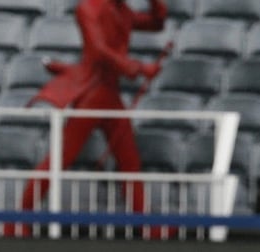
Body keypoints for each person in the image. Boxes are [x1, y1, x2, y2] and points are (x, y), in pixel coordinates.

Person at [12, 0, 167, 237]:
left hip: (109, 93)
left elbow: (157, 23)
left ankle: (145, 223)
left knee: (129, 161)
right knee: (61, 158)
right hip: (93, 93)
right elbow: (99, 49)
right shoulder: (89, 8)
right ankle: (19, 218)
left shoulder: (121, 10)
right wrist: (138, 68)